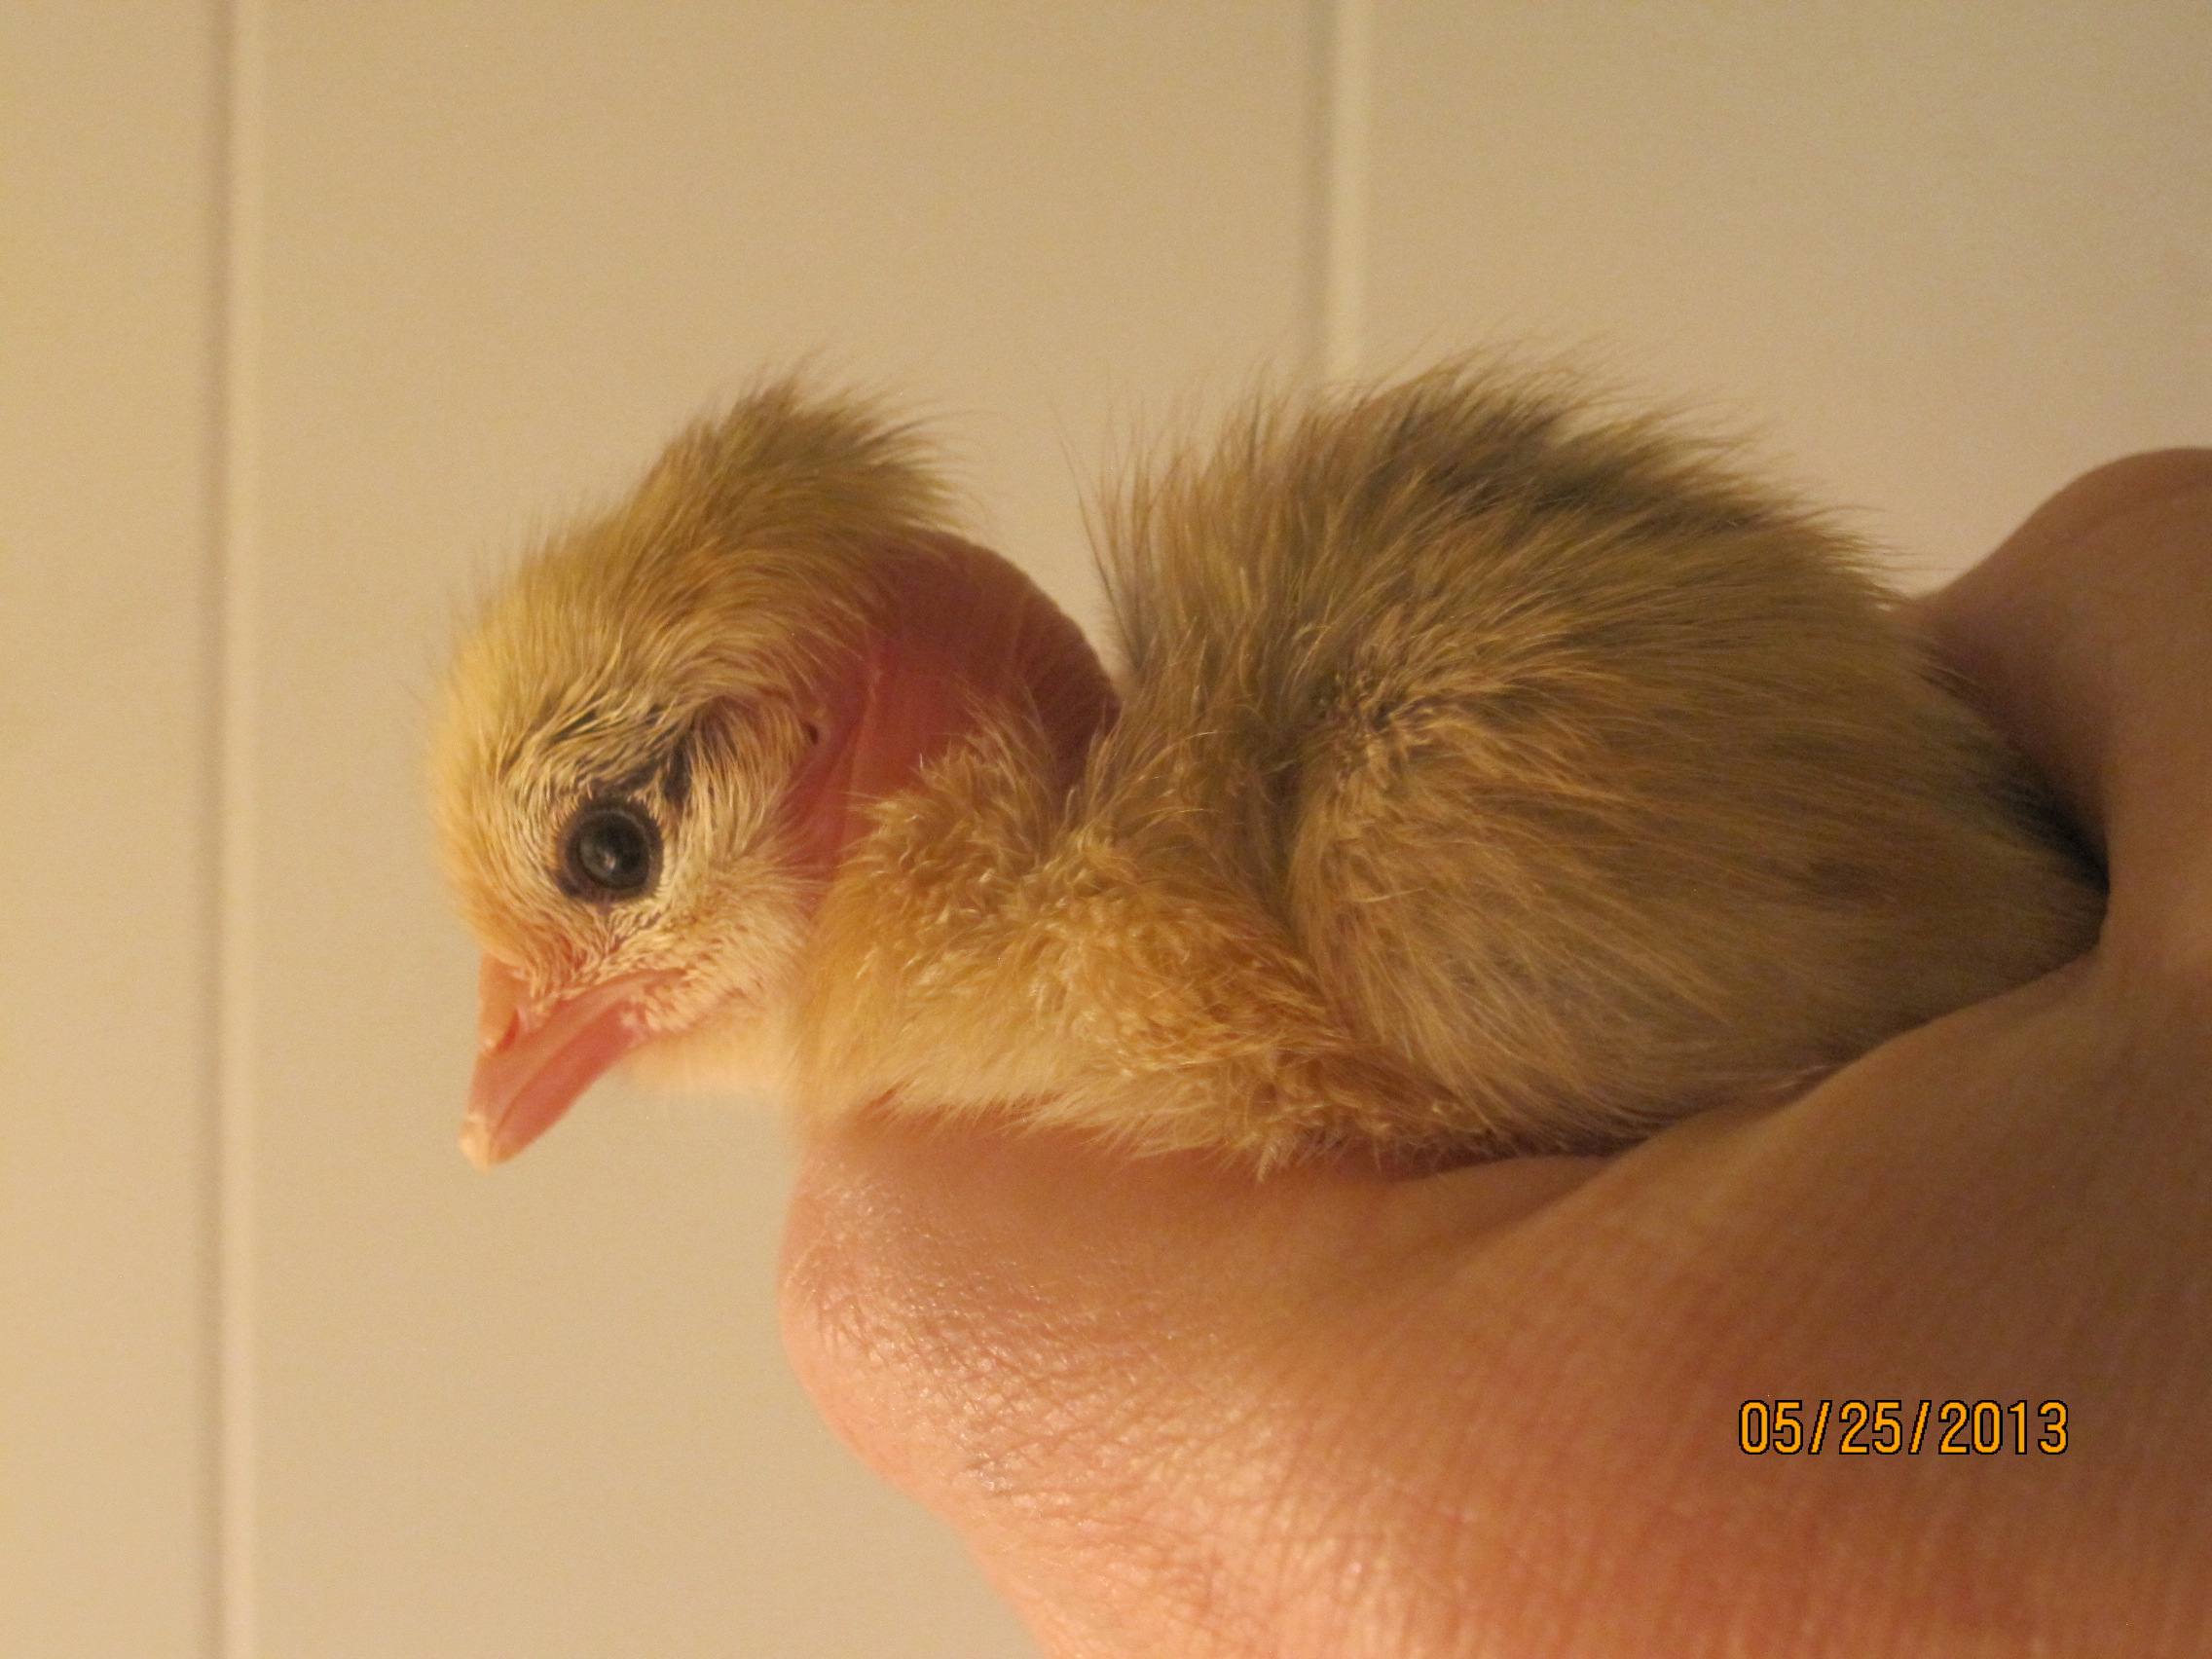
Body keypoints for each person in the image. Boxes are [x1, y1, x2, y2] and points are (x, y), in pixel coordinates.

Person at [779, 451, 2212, 1658]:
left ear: (852, 714)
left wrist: (2025, 1455)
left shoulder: (1336, 884)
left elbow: (1913, 1425)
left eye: (648, 843)